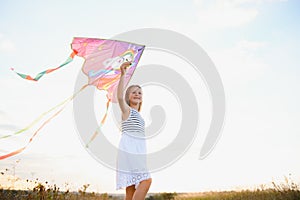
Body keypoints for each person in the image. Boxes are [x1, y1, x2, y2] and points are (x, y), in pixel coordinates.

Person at [116, 61, 152, 200]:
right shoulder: (127, 111)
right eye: (134, 92)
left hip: (137, 150)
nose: (137, 94)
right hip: (130, 148)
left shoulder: (139, 115)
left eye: (140, 93)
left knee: (130, 188)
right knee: (146, 180)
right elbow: (119, 97)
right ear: (128, 96)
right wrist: (123, 75)